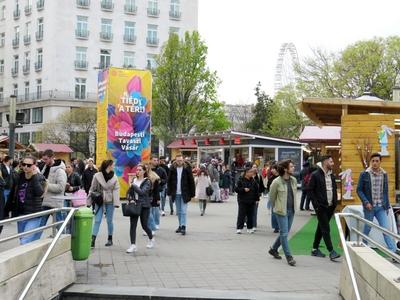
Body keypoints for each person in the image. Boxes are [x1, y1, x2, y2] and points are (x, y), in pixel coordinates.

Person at [356, 153, 398, 255]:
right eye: (373, 161)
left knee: (385, 229)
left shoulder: (384, 174)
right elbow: (359, 190)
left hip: (381, 207)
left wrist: (387, 205)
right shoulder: (364, 174)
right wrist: (366, 202)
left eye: (377, 161)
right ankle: (363, 246)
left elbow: (385, 191)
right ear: (370, 162)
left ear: (380, 162)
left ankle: (393, 251)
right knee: (367, 227)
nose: (375, 163)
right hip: (369, 207)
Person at [308, 155, 341, 260]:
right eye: (331, 161)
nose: (333, 163)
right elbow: (310, 190)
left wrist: (335, 202)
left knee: (321, 227)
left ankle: (314, 249)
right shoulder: (315, 175)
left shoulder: (331, 175)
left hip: (330, 206)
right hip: (321, 207)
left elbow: (333, 189)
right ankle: (331, 251)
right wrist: (316, 205)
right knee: (326, 228)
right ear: (325, 162)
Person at [268, 159, 297, 266]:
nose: (294, 168)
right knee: (284, 234)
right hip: (281, 212)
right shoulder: (276, 182)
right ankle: (289, 256)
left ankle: (273, 249)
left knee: (284, 233)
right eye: (291, 166)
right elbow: (272, 197)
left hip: (291, 211)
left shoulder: (293, 180)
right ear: (285, 169)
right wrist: (277, 208)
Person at [88, 159, 120, 248]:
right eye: (112, 164)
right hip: (99, 200)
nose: (113, 166)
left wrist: (116, 203)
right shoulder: (97, 176)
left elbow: (116, 189)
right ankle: (92, 240)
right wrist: (89, 202)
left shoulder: (114, 177)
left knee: (109, 221)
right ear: (108, 166)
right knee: (97, 220)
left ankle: (110, 239)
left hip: (110, 201)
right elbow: (92, 189)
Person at [15, 156, 47, 244]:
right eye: (23, 164)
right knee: (22, 239)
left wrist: (34, 177)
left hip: (34, 214)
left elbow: (40, 193)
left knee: (25, 241)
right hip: (21, 213)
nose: (25, 167)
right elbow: (14, 194)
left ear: (34, 166)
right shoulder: (19, 176)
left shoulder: (40, 177)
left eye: (29, 165)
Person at [126, 164, 155, 253]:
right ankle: (133, 245)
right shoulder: (134, 180)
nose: (137, 171)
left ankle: (151, 238)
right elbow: (129, 193)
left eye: (139, 170)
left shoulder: (147, 181)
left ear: (144, 171)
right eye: (137, 170)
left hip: (144, 206)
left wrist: (133, 185)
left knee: (144, 225)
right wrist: (130, 199)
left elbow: (142, 192)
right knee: (133, 225)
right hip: (135, 205)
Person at [167, 154, 195, 235]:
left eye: (181, 160)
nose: (179, 162)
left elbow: (191, 181)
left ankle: (183, 226)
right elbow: (169, 181)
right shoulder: (172, 169)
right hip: (176, 193)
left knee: (183, 211)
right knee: (178, 211)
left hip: (185, 193)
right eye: (178, 160)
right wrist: (169, 192)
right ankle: (180, 225)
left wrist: (192, 193)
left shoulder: (187, 168)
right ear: (175, 161)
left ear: (183, 160)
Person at [39, 149, 67, 230]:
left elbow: (61, 188)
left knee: (59, 227)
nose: (44, 161)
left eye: (46, 159)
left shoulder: (60, 171)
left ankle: (64, 241)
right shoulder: (44, 167)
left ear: (52, 158)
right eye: (43, 159)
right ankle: (33, 242)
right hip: (45, 201)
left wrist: (46, 185)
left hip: (55, 202)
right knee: (40, 225)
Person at [235, 166, 259, 234]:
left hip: (251, 200)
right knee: (241, 214)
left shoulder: (253, 181)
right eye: (250, 172)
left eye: (252, 172)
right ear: (246, 173)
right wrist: (243, 189)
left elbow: (256, 191)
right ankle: (239, 228)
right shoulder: (240, 180)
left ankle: (250, 228)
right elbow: (236, 189)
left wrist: (257, 199)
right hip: (242, 200)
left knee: (250, 215)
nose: (252, 173)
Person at [149, 156, 167, 220]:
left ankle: (156, 222)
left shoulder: (161, 169)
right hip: (148, 191)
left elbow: (165, 179)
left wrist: (160, 181)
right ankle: (150, 222)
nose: (156, 162)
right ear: (150, 160)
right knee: (149, 207)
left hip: (158, 190)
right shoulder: (147, 169)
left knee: (156, 207)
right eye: (154, 160)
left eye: (157, 160)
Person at [147, 166, 161, 233]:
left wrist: (158, 199)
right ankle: (148, 227)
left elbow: (157, 189)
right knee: (147, 213)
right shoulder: (139, 176)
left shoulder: (153, 177)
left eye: (147, 168)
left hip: (152, 197)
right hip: (143, 197)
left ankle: (152, 227)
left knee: (150, 213)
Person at [266, 163, 279, 233]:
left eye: (273, 169)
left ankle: (280, 225)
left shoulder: (281, 177)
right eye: (271, 169)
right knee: (273, 212)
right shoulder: (271, 178)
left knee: (280, 212)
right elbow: (268, 186)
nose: (271, 170)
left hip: (280, 196)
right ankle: (276, 227)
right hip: (273, 196)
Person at [252, 163, 265, 231]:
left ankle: (254, 225)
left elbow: (262, 187)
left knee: (254, 211)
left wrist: (259, 194)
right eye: (253, 167)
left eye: (255, 167)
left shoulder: (259, 177)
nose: (254, 168)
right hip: (247, 197)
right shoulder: (248, 176)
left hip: (255, 197)